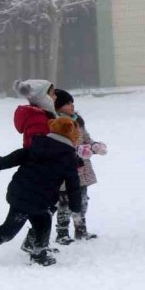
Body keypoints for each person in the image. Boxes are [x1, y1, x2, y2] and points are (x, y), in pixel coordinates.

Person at [0, 116, 83, 268]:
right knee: (8, 231)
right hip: (30, 199)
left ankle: (39, 252)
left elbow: (14, 157)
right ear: (71, 134)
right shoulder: (68, 159)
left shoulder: (38, 145)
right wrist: (76, 206)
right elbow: (73, 186)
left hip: (23, 193)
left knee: (43, 221)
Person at [51, 89, 107, 244]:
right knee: (64, 201)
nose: (72, 106)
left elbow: (86, 138)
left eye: (72, 103)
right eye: (67, 104)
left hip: (82, 168)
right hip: (65, 169)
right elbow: (59, 145)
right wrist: (78, 150)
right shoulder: (56, 123)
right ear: (57, 106)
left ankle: (81, 229)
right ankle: (62, 233)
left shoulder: (77, 120)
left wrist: (94, 146)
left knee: (82, 199)